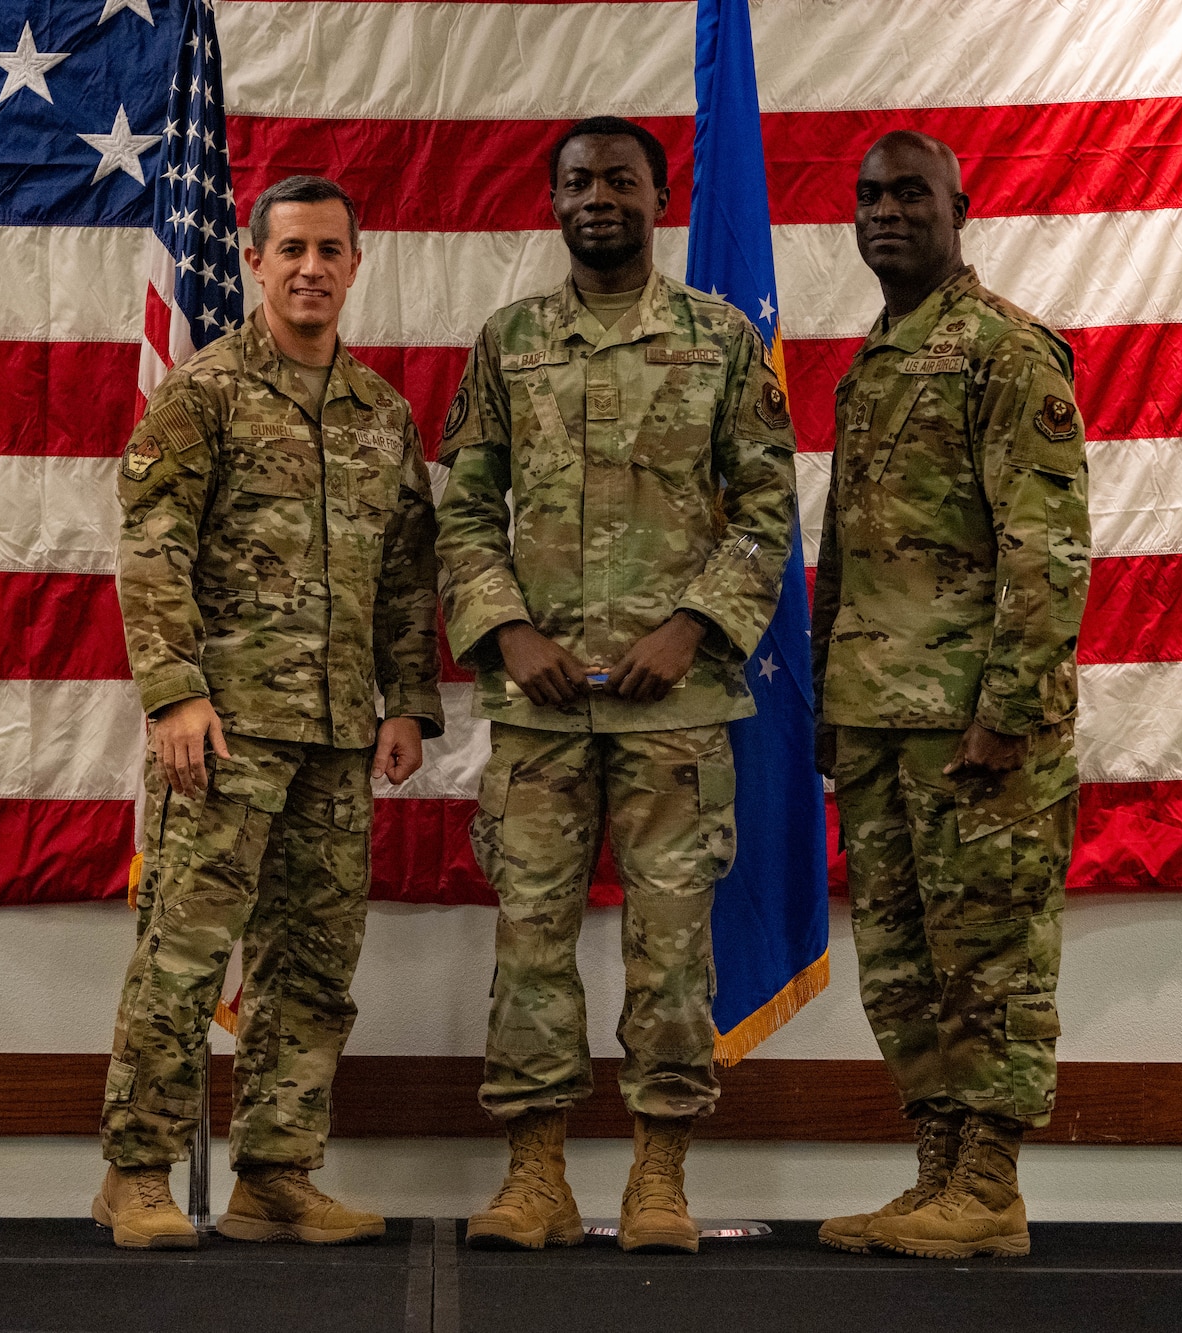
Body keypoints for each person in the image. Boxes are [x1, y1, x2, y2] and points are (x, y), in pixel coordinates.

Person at [437, 116, 796, 1255]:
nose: (600, 196)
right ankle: (534, 1173)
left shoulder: (720, 339)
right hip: (540, 711)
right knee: (530, 939)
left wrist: (692, 625)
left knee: (672, 945)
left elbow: (767, 507)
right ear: (553, 200)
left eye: (622, 180)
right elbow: (460, 511)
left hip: (675, 713)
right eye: (580, 180)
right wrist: (504, 632)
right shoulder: (510, 341)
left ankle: (659, 1175)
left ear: (659, 196)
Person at [92, 175, 444, 1249]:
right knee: (183, 956)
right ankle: (135, 1173)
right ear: (255, 259)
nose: (310, 269)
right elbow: (152, 547)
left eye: (329, 250)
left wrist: (407, 704)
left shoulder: (381, 413)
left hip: (340, 736)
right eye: (289, 249)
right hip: (224, 729)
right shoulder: (205, 393)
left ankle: (274, 1173)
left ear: (353, 262)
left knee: (312, 963)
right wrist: (175, 693)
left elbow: (405, 573)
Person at [812, 131, 1091, 1260]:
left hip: (974, 730)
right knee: (903, 964)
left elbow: (1047, 552)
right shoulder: (875, 357)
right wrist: (834, 709)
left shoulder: (1004, 352)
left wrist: (1005, 715)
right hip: (877, 721)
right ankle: (934, 1174)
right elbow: (841, 552)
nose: (885, 211)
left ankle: (989, 1186)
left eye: (908, 193)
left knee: (990, 960)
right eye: (868, 196)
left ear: (956, 206)